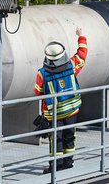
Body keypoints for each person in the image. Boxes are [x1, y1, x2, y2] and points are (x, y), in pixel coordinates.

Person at [34, 26, 88, 173]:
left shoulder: (42, 74)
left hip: (54, 114)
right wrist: (81, 35)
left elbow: (38, 91)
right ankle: (69, 162)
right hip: (72, 110)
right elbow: (82, 53)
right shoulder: (71, 65)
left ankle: (55, 166)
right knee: (70, 134)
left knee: (55, 139)